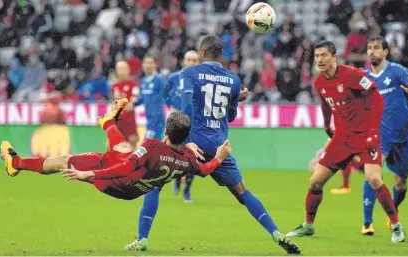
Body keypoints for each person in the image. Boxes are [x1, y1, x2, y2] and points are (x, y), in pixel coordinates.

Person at [125, 34, 301, 255]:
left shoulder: (190, 73)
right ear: (221, 54)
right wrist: (236, 98)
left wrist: (185, 142)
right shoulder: (234, 79)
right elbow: (231, 116)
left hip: (191, 142)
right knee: (242, 192)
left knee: (153, 184)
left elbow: (187, 107)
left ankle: (142, 239)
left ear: (202, 53)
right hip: (219, 147)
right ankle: (276, 233)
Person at [0, 98, 231, 203]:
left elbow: (125, 167)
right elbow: (204, 170)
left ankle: (16, 164)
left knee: (64, 160)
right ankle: (109, 121)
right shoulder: (188, 158)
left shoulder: (152, 147)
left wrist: (89, 175)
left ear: (166, 132)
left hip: (117, 181)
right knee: (124, 148)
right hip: (135, 189)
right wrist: (219, 157)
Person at [286, 40, 405, 243]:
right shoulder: (319, 82)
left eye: (324, 55)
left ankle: (395, 226)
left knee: (374, 179)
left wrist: (373, 132)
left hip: (366, 134)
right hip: (342, 137)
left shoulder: (352, 75)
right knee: (315, 182)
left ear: (334, 57)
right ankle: (308, 225)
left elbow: (377, 99)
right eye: (317, 56)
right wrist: (326, 125)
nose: (320, 59)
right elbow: (325, 102)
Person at [361, 36, 408, 235]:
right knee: (373, 175)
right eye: (369, 48)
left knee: (401, 182)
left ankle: (393, 210)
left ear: (385, 52)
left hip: (404, 134)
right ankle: (367, 223)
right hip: (379, 134)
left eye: (376, 48)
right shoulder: (364, 79)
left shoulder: (397, 71)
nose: (372, 51)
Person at [132, 55, 168, 248]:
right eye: (144, 62)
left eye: (150, 62)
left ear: (155, 65)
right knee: (147, 152)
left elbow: (167, 97)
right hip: (149, 122)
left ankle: (147, 176)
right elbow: (141, 100)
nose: (147, 65)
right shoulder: (144, 81)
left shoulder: (159, 80)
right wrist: (131, 103)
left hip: (158, 123)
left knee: (145, 151)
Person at [164, 50, 200, 202]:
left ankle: (187, 190)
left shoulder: (202, 80)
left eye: (194, 60)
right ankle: (177, 179)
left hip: (195, 123)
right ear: (184, 62)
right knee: (175, 153)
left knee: (193, 157)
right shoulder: (174, 78)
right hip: (178, 122)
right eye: (189, 60)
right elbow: (164, 93)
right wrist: (171, 107)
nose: (191, 63)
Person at [111, 61, 140, 148]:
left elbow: (130, 107)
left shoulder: (134, 85)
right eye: (119, 69)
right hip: (118, 122)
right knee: (113, 146)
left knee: (132, 145)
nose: (121, 71)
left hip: (129, 121)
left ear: (128, 70)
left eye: (123, 69)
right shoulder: (114, 86)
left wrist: (120, 104)